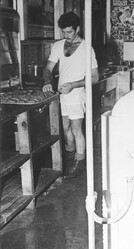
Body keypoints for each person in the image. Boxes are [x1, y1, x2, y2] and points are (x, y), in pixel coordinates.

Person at [42, 12, 99, 178]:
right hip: (61, 94)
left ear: (78, 29)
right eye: (63, 32)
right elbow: (48, 69)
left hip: (77, 94)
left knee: (76, 129)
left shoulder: (87, 47)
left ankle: (79, 164)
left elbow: (94, 78)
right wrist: (47, 81)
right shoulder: (58, 45)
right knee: (65, 128)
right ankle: (70, 158)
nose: (66, 36)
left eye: (69, 32)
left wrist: (73, 85)